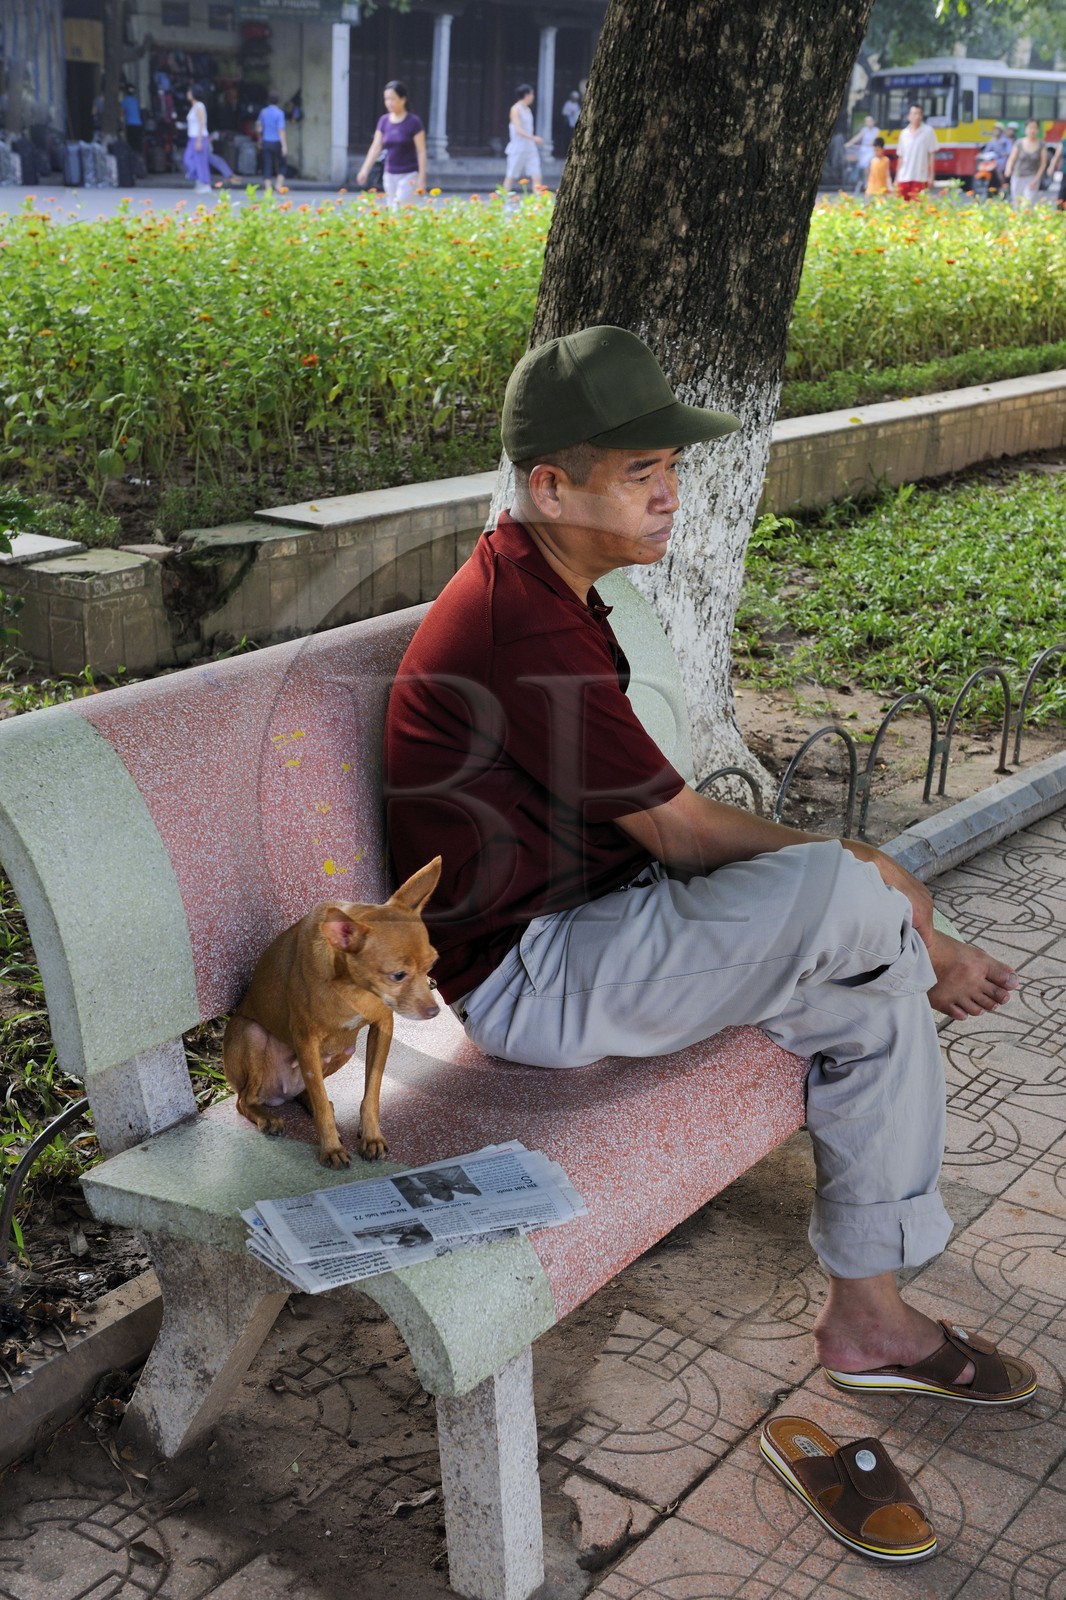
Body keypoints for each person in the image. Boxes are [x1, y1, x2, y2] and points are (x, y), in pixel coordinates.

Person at [384, 325, 1037, 1406]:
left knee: (870, 1003)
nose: (669, 492)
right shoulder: (520, 624)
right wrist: (893, 888)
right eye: (640, 471)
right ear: (551, 484)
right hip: (535, 978)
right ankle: (909, 943)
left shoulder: (550, 586)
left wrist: (879, 904)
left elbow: (660, 838)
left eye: (672, 468)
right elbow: (681, 833)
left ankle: (868, 1320)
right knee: (848, 895)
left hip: (611, 929)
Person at [356, 80, 426, 209]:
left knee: (398, 210)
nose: (389, 103)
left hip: (409, 174)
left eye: (392, 99)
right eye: (386, 99)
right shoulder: (384, 121)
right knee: (393, 210)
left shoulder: (414, 122)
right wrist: (365, 169)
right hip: (389, 174)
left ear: (403, 99)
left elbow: (421, 151)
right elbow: (376, 147)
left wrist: (421, 179)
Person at [503, 83, 543, 194]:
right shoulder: (516, 109)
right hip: (518, 146)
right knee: (511, 175)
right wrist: (533, 138)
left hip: (530, 146)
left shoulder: (528, 110)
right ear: (526, 95)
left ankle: (537, 201)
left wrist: (532, 140)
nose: (533, 97)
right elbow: (518, 129)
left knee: (536, 175)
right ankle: (504, 201)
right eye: (532, 94)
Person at [895, 103, 938, 201]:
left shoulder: (928, 131)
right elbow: (900, 157)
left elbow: (931, 155)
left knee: (917, 210)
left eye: (919, 114)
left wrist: (931, 176)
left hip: (920, 178)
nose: (917, 116)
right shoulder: (903, 134)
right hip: (904, 177)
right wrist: (896, 178)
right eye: (914, 114)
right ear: (909, 116)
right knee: (901, 209)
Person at [1004, 119, 1047, 206]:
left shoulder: (1041, 144)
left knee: (1027, 204)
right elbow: (1012, 159)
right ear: (1026, 129)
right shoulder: (1019, 143)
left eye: (1035, 128)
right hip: (1017, 177)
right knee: (1016, 203)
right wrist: (1008, 169)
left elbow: (1043, 164)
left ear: (1038, 130)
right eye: (1030, 127)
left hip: (1032, 178)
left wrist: (1036, 179)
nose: (1032, 130)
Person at [256, 90, 288, 193]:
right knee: (282, 164)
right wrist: (284, 146)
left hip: (266, 141)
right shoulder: (280, 113)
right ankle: (278, 185)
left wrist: (259, 140)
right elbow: (281, 130)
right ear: (278, 101)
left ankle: (268, 187)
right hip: (277, 142)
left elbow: (259, 128)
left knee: (267, 164)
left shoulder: (263, 112)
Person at [183, 83, 212, 195]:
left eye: (189, 92)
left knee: (200, 161)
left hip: (199, 137)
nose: (188, 94)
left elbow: (201, 123)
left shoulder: (200, 106)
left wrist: (200, 140)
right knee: (188, 159)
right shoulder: (194, 107)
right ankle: (197, 178)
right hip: (192, 137)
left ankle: (204, 182)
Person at [845, 113, 879, 195]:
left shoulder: (877, 130)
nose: (868, 123)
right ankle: (859, 181)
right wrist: (849, 143)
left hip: (871, 150)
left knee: (867, 163)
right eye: (867, 121)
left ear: (873, 122)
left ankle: (868, 182)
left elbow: (875, 140)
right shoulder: (864, 130)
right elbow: (857, 137)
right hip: (863, 150)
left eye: (870, 121)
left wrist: (870, 144)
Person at [121, 82, 144, 155]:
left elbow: (121, 113)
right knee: (138, 145)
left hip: (130, 125)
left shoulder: (125, 101)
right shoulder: (135, 100)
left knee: (131, 145)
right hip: (138, 125)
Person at [559, 89, 581, 156]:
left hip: (574, 124)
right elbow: (564, 113)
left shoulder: (577, 105)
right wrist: (570, 112)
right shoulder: (568, 104)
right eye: (574, 97)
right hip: (568, 124)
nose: (575, 99)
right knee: (567, 139)